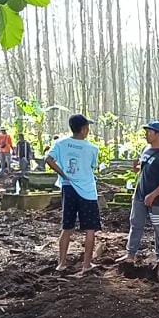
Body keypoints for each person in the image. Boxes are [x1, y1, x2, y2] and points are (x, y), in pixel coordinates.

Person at [45, 114, 101, 274]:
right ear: (83, 129)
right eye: (87, 127)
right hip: (88, 191)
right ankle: (86, 265)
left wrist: (63, 175)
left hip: (68, 187)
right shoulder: (92, 148)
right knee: (90, 228)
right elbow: (92, 166)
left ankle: (61, 263)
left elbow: (48, 159)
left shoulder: (60, 143)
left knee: (67, 226)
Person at [117, 121, 159, 264]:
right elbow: (143, 171)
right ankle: (130, 254)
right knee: (135, 224)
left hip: (157, 199)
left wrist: (153, 195)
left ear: (158, 135)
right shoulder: (145, 151)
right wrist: (136, 168)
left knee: (158, 227)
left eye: (150, 132)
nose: (147, 135)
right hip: (139, 195)